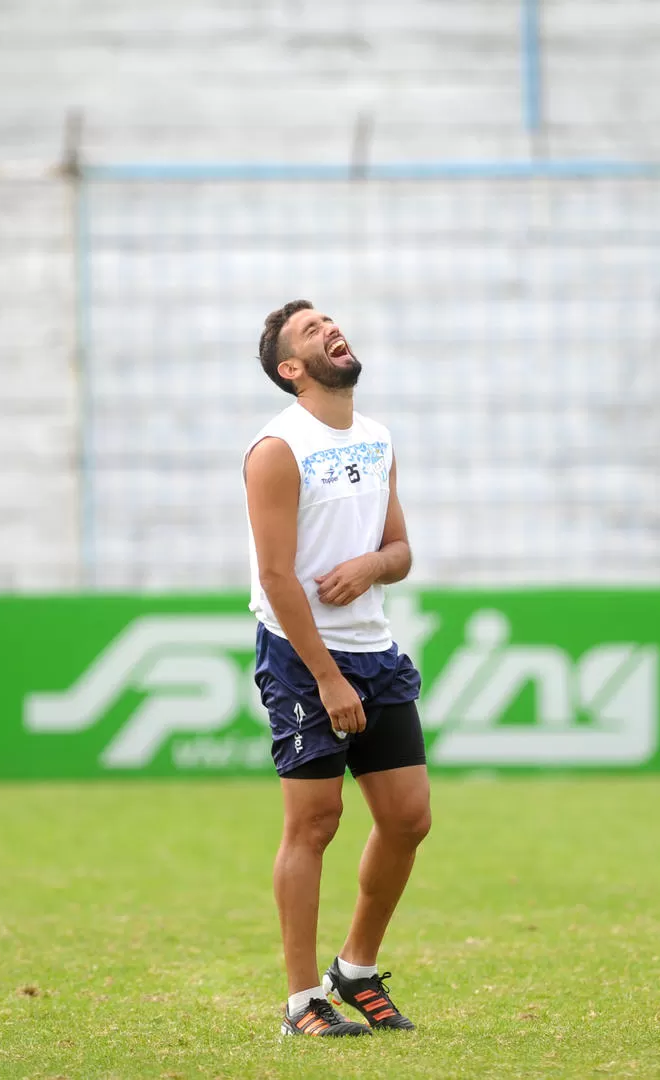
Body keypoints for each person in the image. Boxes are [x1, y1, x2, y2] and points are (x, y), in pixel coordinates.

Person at [244, 300, 431, 1038]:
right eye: (309, 329)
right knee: (314, 824)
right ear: (292, 370)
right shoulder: (275, 450)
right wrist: (325, 677)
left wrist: (373, 564)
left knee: (409, 820)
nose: (329, 327)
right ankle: (300, 1003)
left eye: (329, 319)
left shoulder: (379, 438)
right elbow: (276, 577)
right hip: (301, 657)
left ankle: (353, 970)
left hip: (374, 650)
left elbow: (401, 552)